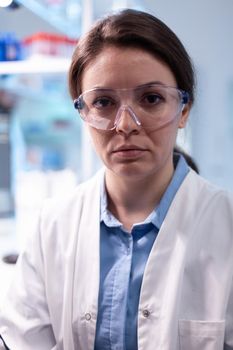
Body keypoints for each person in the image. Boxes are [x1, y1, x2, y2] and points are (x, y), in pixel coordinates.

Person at [0, 8, 233, 350]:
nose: (125, 124)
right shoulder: (51, 226)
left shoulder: (226, 226)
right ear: (82, 112)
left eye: (151, 99)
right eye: (104, 102)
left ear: (183, 109)